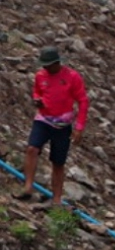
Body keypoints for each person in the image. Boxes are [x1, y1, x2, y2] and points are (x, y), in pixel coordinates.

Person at [19, 47, 89, 207]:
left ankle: (56, 198)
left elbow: (83, 101)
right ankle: (28, 186)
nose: (45, 69)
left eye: (48, 65)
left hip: (63, 124)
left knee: (58, 162)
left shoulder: (72, 77)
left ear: (57, 63)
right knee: (32, 148)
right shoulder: (40, 76)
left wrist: (79, 127)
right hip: (43, 119)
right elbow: (37, 91)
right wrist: (37, 99)